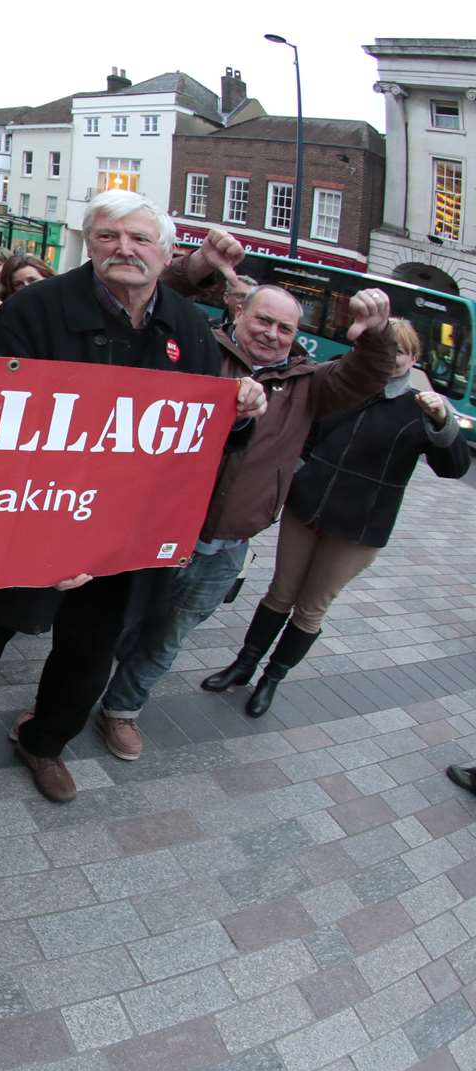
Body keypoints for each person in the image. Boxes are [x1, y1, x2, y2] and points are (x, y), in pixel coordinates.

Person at [0, 190, 266, 802]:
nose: (123, 249)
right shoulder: (35, 310)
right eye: (108, 236)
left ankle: (45, 742)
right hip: (27, 519)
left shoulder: (188, 327)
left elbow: (200, 441)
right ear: (89, 243)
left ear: (166, 252)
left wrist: (238, 416)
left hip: (121, 534)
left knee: (88, 653)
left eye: (139, 238)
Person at [97, 269, 403, 751]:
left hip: (226, 546)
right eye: (264, 320)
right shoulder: (200, 350)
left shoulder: (309, 384)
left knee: (168, 638)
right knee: (112, 623)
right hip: (154, 532)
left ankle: (122, 710)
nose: (272, 334)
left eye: (286, 329)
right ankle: (67, 700)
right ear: (240, 313)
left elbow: (365, 375)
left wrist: (378, 335)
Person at [205, 318, 468, 719]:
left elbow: (452, 467)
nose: (389, 357)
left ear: (413, 359)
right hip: (306, 507)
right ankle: (243, 664)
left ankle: (271, 678)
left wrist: (442, 423)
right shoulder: (346, 390)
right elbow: (304, 437)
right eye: (383, 348)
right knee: (279, 593)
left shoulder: (420, 408)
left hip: (358, 528)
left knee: (311, 608)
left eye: (399, 351)